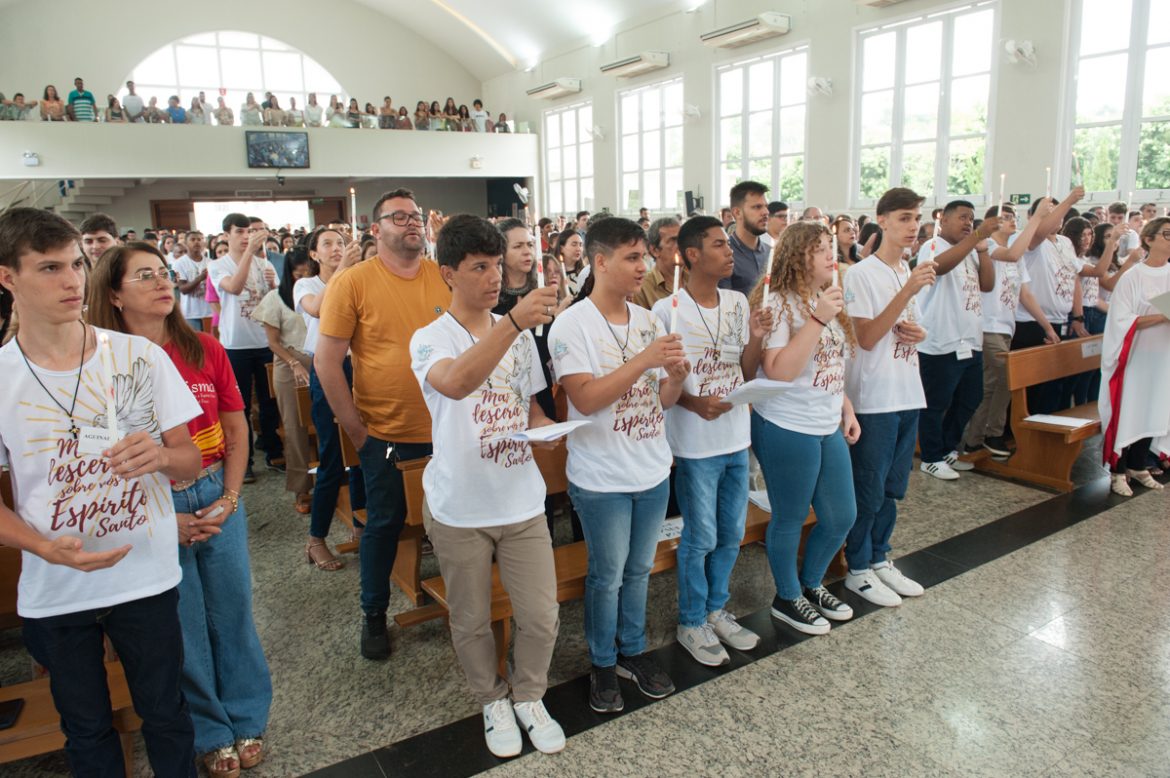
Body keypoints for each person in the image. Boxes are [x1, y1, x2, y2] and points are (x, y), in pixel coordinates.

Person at [0, 209, 202, 776]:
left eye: (76, 265)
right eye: (49, 268)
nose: (72, 281)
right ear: (7, 278)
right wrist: (41, 548)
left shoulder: (138, 356)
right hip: (58, 582)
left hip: (145, 570)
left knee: (165, 711)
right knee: (85, 727)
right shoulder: (2, 377)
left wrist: (161, 456)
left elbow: (190, 456)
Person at [87, 242, 272, 778]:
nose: (162, 282)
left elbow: (237, 429)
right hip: (148, 503)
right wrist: (165, 517)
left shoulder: (205, 348)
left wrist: (231, 499)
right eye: (144, 276)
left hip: (216, 490)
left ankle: (246, 716)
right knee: (182, 623)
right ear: (115, 295)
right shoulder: (99, 363)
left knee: (233, 610)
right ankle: (211, 731)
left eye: (164, 273)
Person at [409, 214, 564, 757]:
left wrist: (547, 431)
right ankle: (492, 699)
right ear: (449, 273)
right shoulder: (430, 338)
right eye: (480, 266)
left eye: (497, 264)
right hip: (461, 505)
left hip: (520, 498)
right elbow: (455, 383)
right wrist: (513, 325)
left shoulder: (514, 333)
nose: (494, 276)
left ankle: (528, 695)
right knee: (472, 620)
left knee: (541, 615)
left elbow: (528, 406)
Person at [547, 217, 690, 713]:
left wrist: (673, 375)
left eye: (645, 257)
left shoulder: (649, 318)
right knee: (606, 575)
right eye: (632, 258)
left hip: (650, 468)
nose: (644, 266)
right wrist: (645, 360)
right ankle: (602, 662)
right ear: (600, 261)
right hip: (601, 477)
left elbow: (663, 400)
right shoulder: (572, 324)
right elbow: (584, 399)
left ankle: (633, 651)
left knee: (639, 570)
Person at [316, 189, 452, 659]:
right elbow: (327, 363)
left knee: (460, 523)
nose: (411, 223)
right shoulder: (352, 282)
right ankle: (373, 614)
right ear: (375, 230)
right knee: (385, 525)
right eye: (398, 217)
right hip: (388, 434)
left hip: (449, 430)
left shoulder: (443, 277)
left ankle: (467, 605)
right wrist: (357, 432)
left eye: (415, 216)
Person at [651, 215, 764, 664]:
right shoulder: (667, 311)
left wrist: (755, 337)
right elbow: (666, 384)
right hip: (696, 443)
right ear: (692, 254)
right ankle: (691, 620)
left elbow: (747, 370)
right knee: (700, 535)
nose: (729, 250)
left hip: (736, 436)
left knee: (732, 533)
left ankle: (717, 609)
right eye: (719, 244)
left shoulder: (737, 302)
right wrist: (698, 405)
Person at [747, 219, 860, 634]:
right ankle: (787, 595)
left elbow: (829, 363)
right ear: (798, 255)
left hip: (826, 420)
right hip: (786, 424)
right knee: (790, 516)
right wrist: (816, 319)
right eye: (820, 248)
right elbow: (778, 371)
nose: (831, 254)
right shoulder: (777, 303)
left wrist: (846, 406)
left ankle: (812, 584)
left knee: (841, 515)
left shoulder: (822, 297)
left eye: (831, 245)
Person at [842, 187, 935, 607]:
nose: (912, 226)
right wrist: (908, 292)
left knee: (894, 488)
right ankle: (856, 567)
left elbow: (906, 326)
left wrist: (921, 332)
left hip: (907, 389)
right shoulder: (863, 274)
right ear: (882, 221)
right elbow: (864, 337)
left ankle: (880, 557)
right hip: (874, 396)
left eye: (916, 217)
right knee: (869, 488)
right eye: (903, 217)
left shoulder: (906, 271)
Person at [961, 204, 1057, 458]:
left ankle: (982, 436)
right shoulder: (988, 246)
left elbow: (1025, 294)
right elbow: (1014, 254)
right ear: (992, 223)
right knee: (1001, 380)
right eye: (1005, 217)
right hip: (988, 326)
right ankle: (985, 436)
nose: (1012, 220)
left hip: (1006, 327)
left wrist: (1046, 326)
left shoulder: (1017, 256)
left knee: (996, 385)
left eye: (1013, 217)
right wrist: (1036, 219)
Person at [295, 228, 365, 570]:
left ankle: (363, 527)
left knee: (366, 452)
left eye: (341, 243)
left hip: (361, 367)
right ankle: (316, 538)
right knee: (333, 457)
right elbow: (321, 310)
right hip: (327, 371)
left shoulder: (357, 278)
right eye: (328, 244)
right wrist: (342, 272)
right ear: (314, 254)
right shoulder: (306, 286)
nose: (336, 249)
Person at [912, 201, 998, 480]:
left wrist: (982, 248)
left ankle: (948, 448)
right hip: (940, 341)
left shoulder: (971, 250)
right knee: (936, 403)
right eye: (962, 217)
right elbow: (939, 268)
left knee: (971, 398)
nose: (967, 223)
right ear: (943, 220)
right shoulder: (933, 245)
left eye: (971, 219)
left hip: (969, 340)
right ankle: (931, 457)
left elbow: (987, 285)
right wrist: (977, 236)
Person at [207, 213, 283, 482]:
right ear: (226, 235)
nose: (245, 236)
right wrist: (250, 252)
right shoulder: (218, 265)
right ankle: (245, 461)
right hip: (236, 344)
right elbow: (235, 288)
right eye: (239, 231)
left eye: (249, 231)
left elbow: (275, 301)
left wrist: (275, 284)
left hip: (264, 341)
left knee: (269, 402)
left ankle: (273, 450)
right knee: (238, 406)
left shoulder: (264, 263)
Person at [1100, 217, 1170, 496]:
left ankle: (1139, 465)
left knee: (1155, 409)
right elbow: (1120, 319)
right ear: (1149, 239)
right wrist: (1160, 316)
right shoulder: (1133, 277)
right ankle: (1119, 471)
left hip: (1162, 357)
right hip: (1133, 358)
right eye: (1166, 234)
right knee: (1130, 411)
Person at [1012, 188, 1089, 415]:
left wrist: (1077, 316)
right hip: (1032, 322)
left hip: (1060, 320)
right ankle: (1025, 433)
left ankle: (1048, 428)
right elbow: (1040, 233)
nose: (1057, 218)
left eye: (1059, 214)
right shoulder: (1029, 238)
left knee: (1053, 384)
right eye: (1050, 213)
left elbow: (1075, 276)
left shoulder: (1064, 241)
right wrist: (1070, 199)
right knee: (1033, 387)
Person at [251, 250, 315, 514]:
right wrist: (294, 363)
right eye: (297, 274)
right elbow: (273, 343)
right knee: (295, 428)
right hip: (289, 365)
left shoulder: (320, 293)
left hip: (319, 362)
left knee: (330, 426)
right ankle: (301, 489)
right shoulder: (275, 298)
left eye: (307, 273)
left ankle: (336, 483)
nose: (302, 278)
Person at [720, 181, 771, 296]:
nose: (766, 212)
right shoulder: (724, 255)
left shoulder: (771, 252)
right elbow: (724, 306)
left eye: (766, 207)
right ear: (737, 213)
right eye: (757, 207)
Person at [632, 217, 684, 310]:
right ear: (655, 250)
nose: (681, 244)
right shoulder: (642, 288)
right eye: (673, 240)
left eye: (682, 239)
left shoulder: (696, 279)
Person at [173, 230, 213, 332]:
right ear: (186, 244)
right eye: (193, 239)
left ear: (204, 243)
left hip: (209, 312)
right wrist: (200, 278)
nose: (197, 242)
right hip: (190, 313)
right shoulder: (179, 263)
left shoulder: (211, 263)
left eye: (199, 239)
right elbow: (183, 289)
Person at [556, 229, 587, 298]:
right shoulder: (554, 274)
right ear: (561, 249)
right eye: (574, 244)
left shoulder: (586, 272)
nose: (578, 248)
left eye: (581, 245)